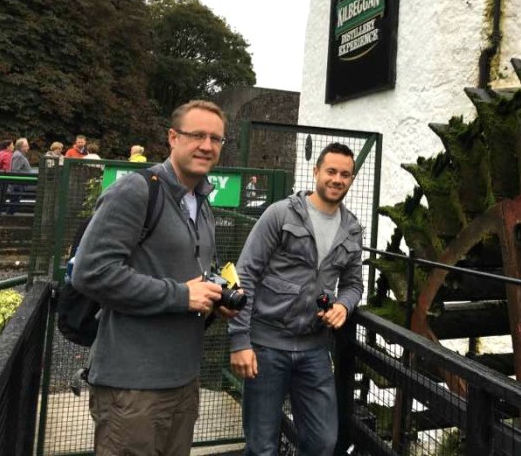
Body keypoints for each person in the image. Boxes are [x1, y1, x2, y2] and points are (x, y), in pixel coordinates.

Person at [72, 100, 235, 456]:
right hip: (132, 386)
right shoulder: (136, 190)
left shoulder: (202, 202)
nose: (207, 146)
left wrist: (215, 297)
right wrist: (180, 296)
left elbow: (193, 275)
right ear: (172, 137)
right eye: (197, 135)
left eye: (216, 138)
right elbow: (90, 272)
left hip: (183, 380)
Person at [229, 142, 364, 456]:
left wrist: (344, 305)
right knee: (261, 445)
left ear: (352, 179)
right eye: (331, 171)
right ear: (316, 171)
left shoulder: (352, 229)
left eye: (345, 174)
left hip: (315, 349)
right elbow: (245, 274)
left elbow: (354, 285)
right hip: (266, 345)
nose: (337, 179)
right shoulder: (280, 214)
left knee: (322, 442)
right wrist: (239, 340)